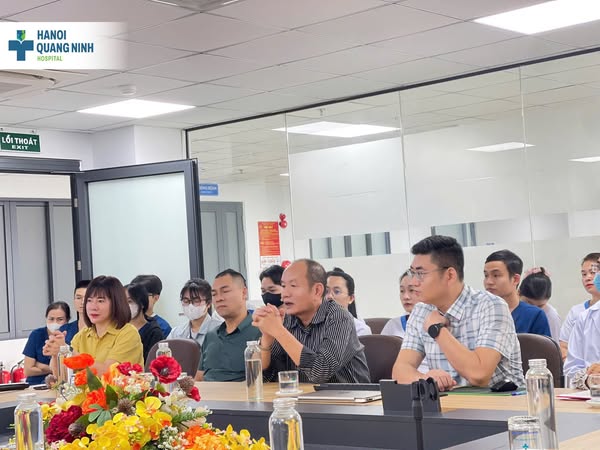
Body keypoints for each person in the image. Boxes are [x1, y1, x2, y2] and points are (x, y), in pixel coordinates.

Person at [392, 236, 524, 390]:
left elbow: (479, 375)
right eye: (412, 273)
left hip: (502, 401)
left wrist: (437, 330)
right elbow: (400, 371)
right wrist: (425, 379)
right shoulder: (421, 310)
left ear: (450, 275)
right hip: (450, 402)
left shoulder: (491, 306)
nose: (413, 282)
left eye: (420, 274)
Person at [252, 259, 370, 384]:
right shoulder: (286, 319)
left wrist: (279, 331)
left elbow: (320, 372)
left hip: (348, 394)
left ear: (317, 290)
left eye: (293, 286)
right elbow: (264, 378)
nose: (284, 294)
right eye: (283, 286)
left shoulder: (339, 317)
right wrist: (267, 338)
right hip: (302, 394)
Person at [44, 275, 143, 375]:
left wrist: (69, 352)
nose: (93, 307)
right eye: (89, 300)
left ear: (116, 303)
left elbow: (108, 372)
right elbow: (62, 376)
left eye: (100, 301)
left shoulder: (128, 333)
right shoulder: (82, 335)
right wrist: (57, 352)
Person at [197, 269, 261, 381]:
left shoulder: (260, 331)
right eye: (214, 294)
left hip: (241, 392)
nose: (219, 298)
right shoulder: (211, 336)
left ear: (244, 293)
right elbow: (199, 377)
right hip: (207, 391)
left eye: (225, 291)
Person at [483, 250, 551, 337]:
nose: (489, 282)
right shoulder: (479, 314)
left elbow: (543, 345)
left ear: (515, 279)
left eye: (496, 275)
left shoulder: (534, 315)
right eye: (486, 276)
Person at [559, 253, 600, 360]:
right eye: (584, 274)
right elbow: (563, 346)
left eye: (593, 272)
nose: (588, 278)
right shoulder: (576, 312)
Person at [23, 302, 70, 385]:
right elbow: (28, 370)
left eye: (60, 319)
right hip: (35, 385)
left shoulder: (70, 336)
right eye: (51, 319)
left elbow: (69, 369)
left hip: (61, 385)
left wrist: (39, 365)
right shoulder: (36, 335)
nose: (55, 322)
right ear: (46, 318)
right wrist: (52, 369)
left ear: (67, 320)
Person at [167, 278, 222, 348]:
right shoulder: (176, 333)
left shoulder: (221, 330)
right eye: (186, 301)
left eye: (196, 301)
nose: (190, 306)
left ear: (208, 303)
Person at [326, 267, 371, 336]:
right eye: (325, 291)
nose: (329, 296)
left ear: (351, 298)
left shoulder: (360, 330)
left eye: (337, 291)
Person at [520, 267, 561, 342]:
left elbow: (553, 346)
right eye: (529, 304)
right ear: (518, 293)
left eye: (540, 306)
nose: (534, 310)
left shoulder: (551, 316)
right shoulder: (509, 309)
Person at [126, 283, 164, 362]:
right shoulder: (118, 327)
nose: (125, 305)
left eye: (130, 301)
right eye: (122, 302)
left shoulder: (154, 332)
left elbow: (151, 363)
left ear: (142, 303)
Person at [382, 271, 421, 338]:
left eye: (411, 290)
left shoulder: (437, 324)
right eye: (402, 291)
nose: (405, 297)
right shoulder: (392, 325)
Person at [60, 279, 91, 344]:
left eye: (86, 298)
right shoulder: (65, 329)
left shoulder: (100, 328)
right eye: (78, 298)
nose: (82, 302)